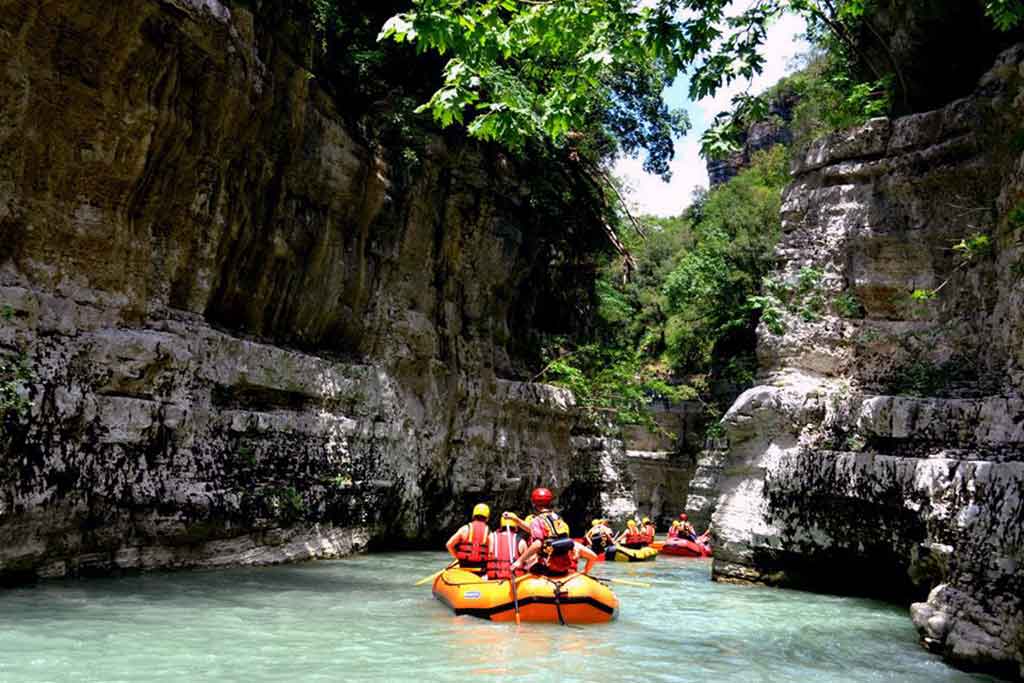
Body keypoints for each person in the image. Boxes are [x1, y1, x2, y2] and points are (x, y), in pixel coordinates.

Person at [504, 487, 596, 577]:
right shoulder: (558, 519)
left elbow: (538, 543)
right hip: (564, 569)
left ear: (534, 504)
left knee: (529, 566)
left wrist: (520, 560)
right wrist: (584, 572)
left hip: (548, 568)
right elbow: (593, 557)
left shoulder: (537, 520)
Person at [446, 503, 491, 572]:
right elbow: (492, 553)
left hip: (464, 565)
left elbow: (449, 544)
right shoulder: (489, 533)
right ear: (487, 518)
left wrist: (457, 557)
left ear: (473, 516)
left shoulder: (464, 529)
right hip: (481, 568)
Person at [486, 515, 527, 581]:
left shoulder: (491, 537)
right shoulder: (521, 541)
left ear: (501, 525)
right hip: (514, 582)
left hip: (494, 580)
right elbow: (528, 563)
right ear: (516, 526)